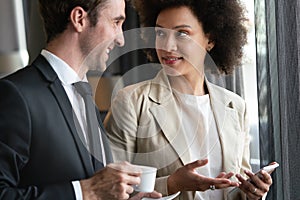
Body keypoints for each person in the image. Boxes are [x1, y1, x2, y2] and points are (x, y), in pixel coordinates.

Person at [104, 0, 274, 199]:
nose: (167, 46)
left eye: (182, 33)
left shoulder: (235, 106)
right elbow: (110, 189)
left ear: (210, 39)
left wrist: (253, 192)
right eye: (160, 33)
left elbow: (235, 188)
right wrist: (171, 184)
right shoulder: (131, 103)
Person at [0, 0, 162, 199]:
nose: (121, 39)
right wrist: (87, 191)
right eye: (115, 22)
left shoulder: (84, 96)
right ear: (79, 19)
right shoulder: (15, 95)